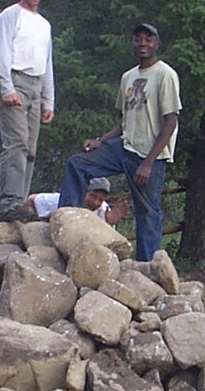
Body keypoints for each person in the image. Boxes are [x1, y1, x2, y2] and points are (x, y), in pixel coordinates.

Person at [58, 23, 181, 261]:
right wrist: (101, 141)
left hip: (150, 155)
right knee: (78, 163)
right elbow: (124, 120)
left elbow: (171, 121)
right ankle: (67, 225)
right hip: (124, 146)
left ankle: (149, 268)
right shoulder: (128, 77)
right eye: (138, 39)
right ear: (133, 43)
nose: (142, 44)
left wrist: (148, 162)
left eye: (148, 39)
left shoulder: (165, 74)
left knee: (147, 212)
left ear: (157, 44)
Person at [0, 0, 54, 222]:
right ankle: (9, 202)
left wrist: (49, 99)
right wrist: (7, 87)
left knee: (30, 147)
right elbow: (0, 52)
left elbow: (47, 62)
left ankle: (22, 200)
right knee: (15, 143)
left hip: (36, 83)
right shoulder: (10, 15)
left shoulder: (44, 24)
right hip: (15, 77)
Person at [24, 177, 130, 225]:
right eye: (93, 196)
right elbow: (32, 199)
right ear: (83, 192)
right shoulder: (65, 200)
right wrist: (43, 221)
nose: (95, 202)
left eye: (100, 199)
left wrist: (109, 222)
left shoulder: (103, 210)